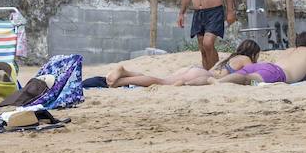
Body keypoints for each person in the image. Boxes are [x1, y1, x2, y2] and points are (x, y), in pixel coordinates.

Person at [104, 40, 262, 87]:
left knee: (161, 80)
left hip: (197, 70)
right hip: (202, 75)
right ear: (253, 53)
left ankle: (126, 73)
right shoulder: (247, 60)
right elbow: (249, 76)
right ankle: (122, 81)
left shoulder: (230, 58)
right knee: (161, 82)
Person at [220, 32, 306, 85]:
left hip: (266, 66)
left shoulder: (290, 50)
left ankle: (214, 80)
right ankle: (218, 82)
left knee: (232, 78)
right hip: (277, 73)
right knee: (247, 79)